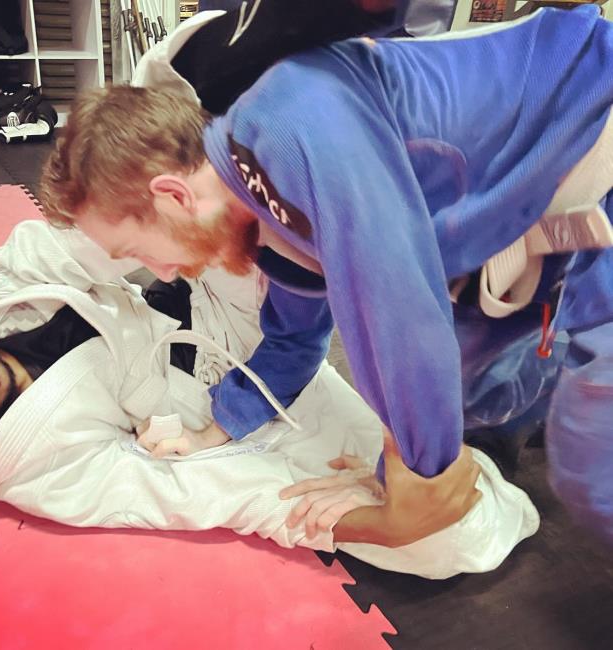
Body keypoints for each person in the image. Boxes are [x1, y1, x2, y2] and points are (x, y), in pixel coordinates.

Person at [38, 5, 613, 543]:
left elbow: (395, 309)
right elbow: (292, 336)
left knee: (590, 465)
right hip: (524, 223)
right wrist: (216, 430)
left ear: (171, 195)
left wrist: (412, 486)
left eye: (138, 250)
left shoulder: (289, 124)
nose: (162, 271)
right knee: (478, 397)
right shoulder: (263, 220)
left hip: (591, 116)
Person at [0, 219, 538, 579]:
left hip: (210, 298)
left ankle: (433, 241)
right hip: (219, 401)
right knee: (442, 536)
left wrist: (177, 220)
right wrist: (374, 526)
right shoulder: (37, 473)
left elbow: (98, 228)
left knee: (237, 196)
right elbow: (188, 490)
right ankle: (492, 394)